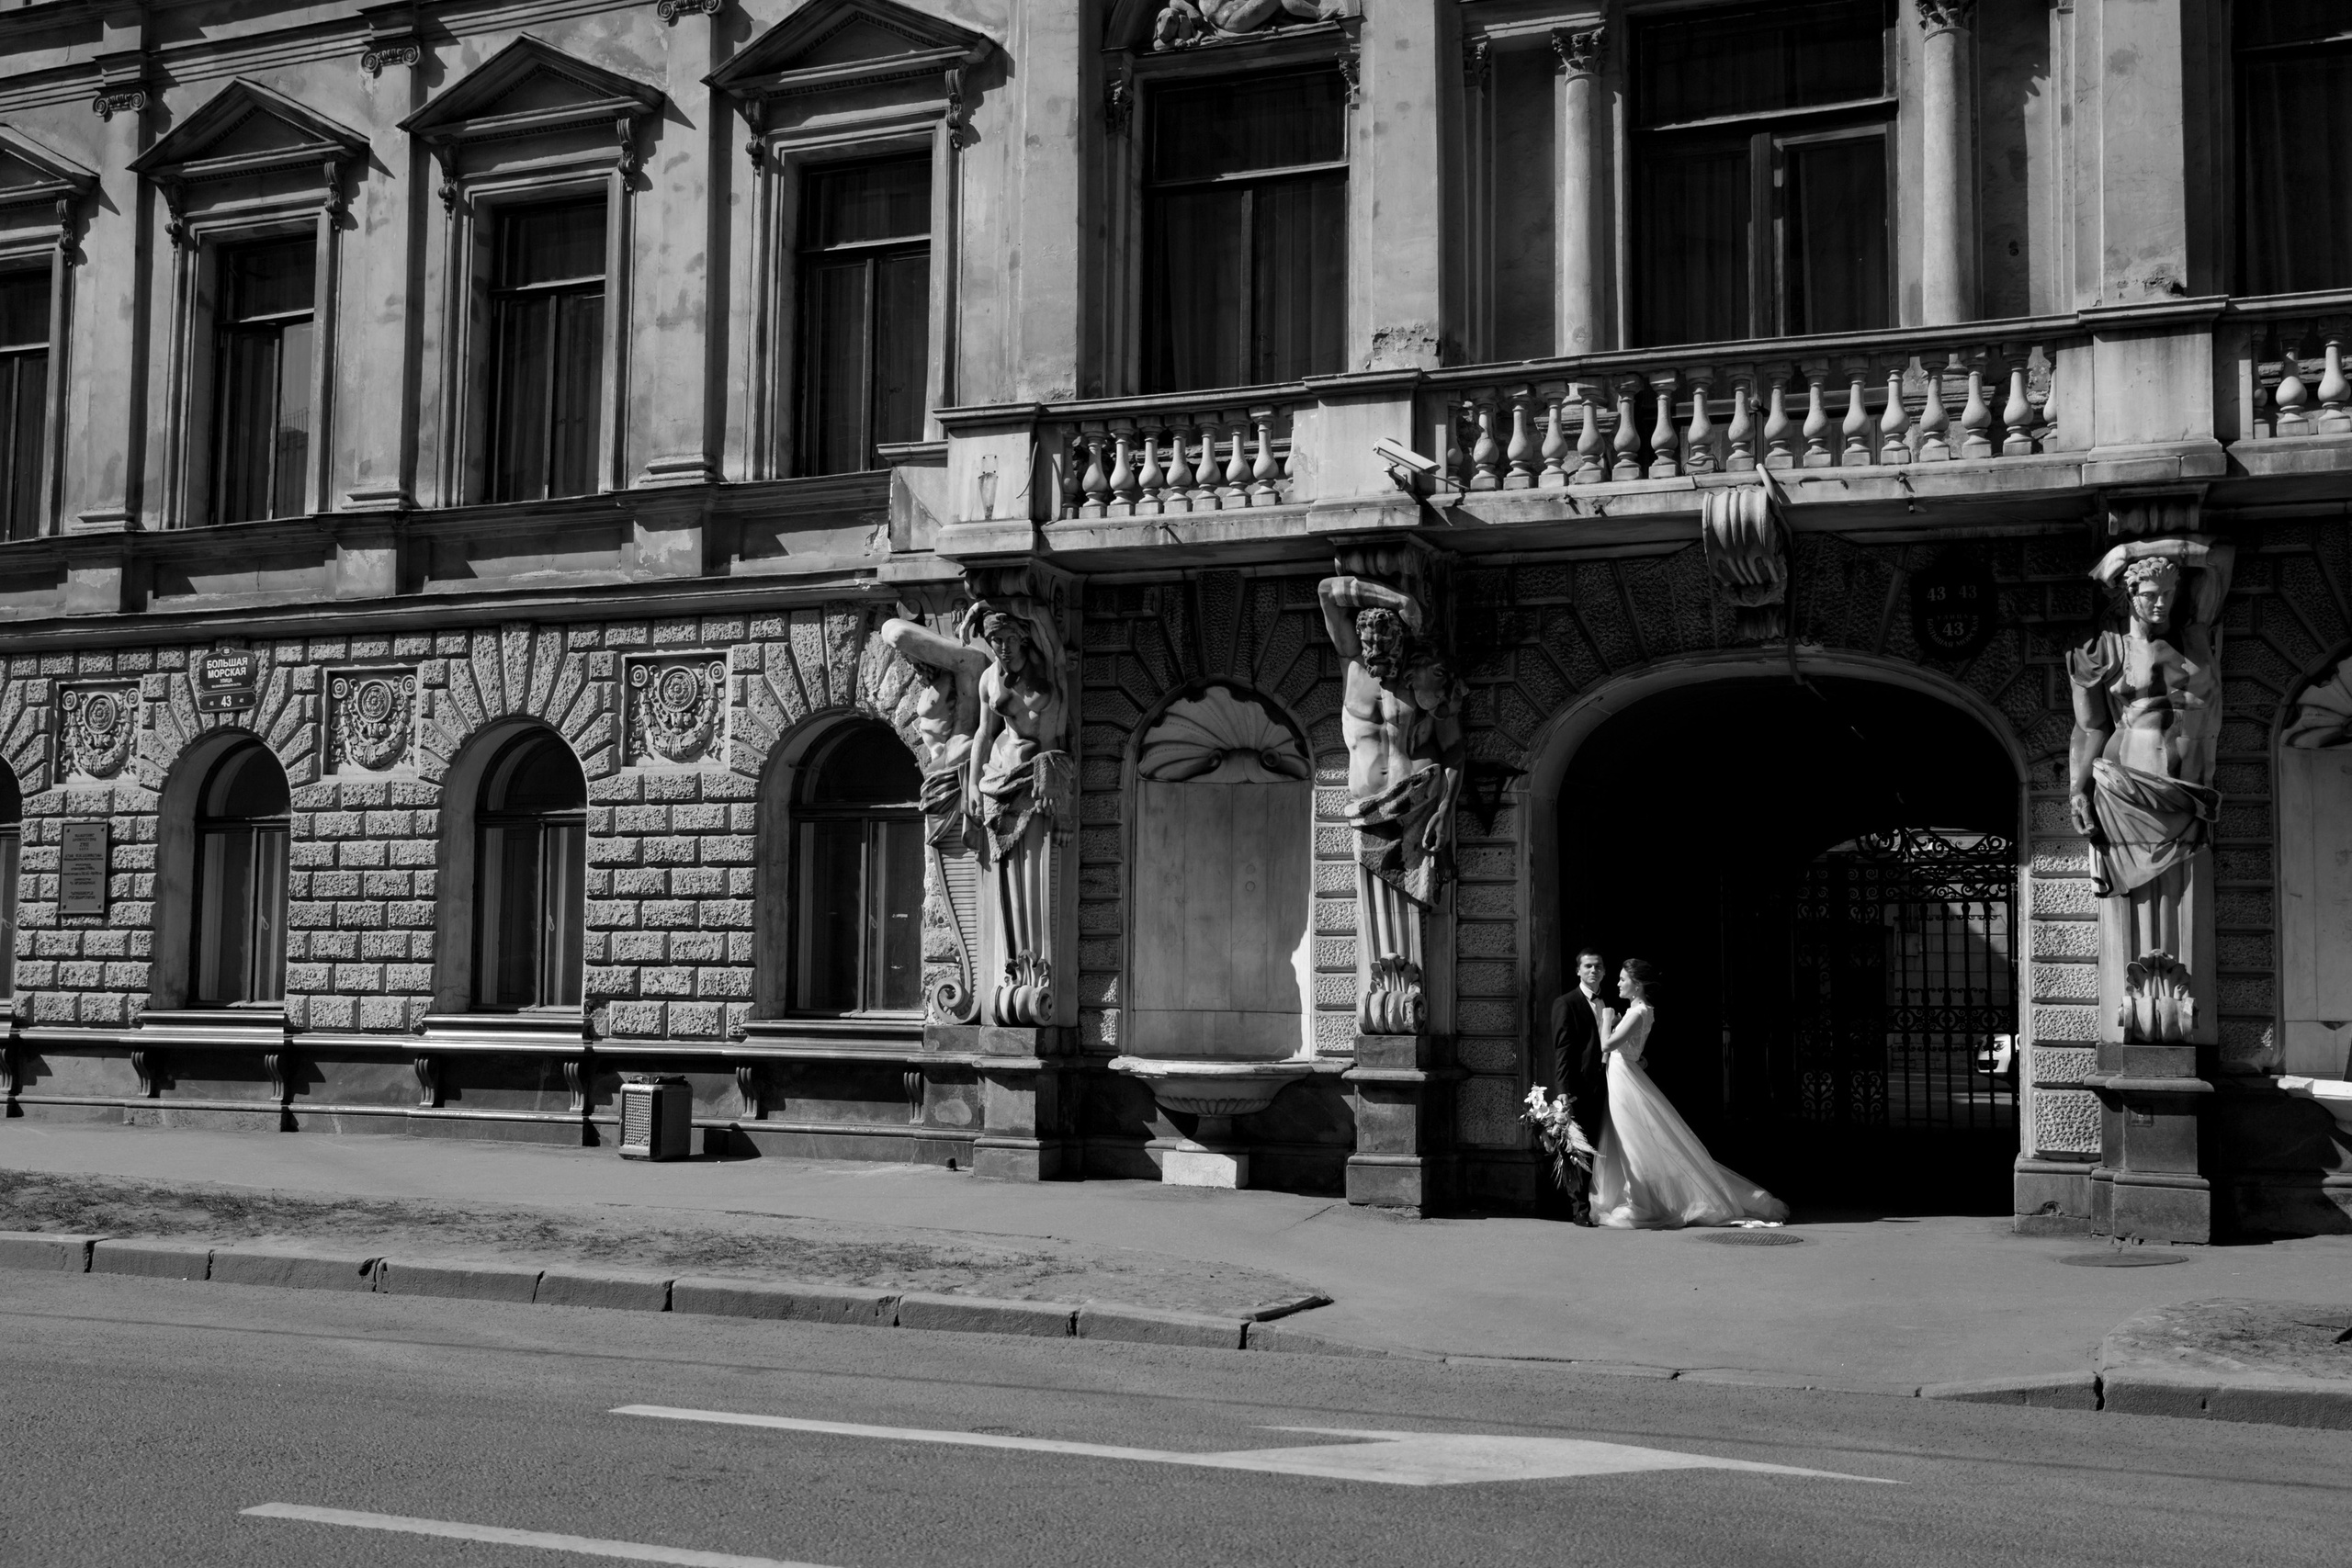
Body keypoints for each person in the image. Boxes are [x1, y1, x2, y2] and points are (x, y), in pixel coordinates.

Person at [1589, 959, 1788, 1230]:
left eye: (1623, 979)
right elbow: (1633, 1051)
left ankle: (1643, 1203)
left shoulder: (1637, 1012)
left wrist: (1607, 1020)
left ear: (1638, 984)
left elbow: (1607, 1044)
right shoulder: (1643, 1010)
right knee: (1632, 1141)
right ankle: (1640, 1198)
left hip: (1625, 1080)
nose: (1618, 983)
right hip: (1625, 1074)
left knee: (1634, 1142)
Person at [1547, 947, 1615, 1226]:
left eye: (1598, 966)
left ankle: (1602, 1202)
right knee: (1578, 1148)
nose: (1593, 970)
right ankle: (1580, 1209)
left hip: (1609, 1083)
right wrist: (1563, 1088)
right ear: (1578, 971)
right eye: (1587, 966)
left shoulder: (1609, 1003)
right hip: (1580, 1086)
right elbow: (1562, 1049)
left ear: (1604, 971)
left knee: (1602, 1144)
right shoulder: (1566, 1003)